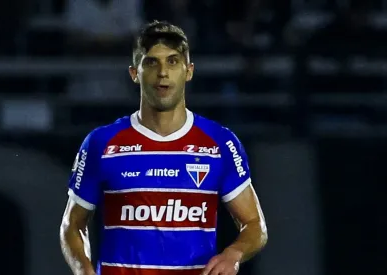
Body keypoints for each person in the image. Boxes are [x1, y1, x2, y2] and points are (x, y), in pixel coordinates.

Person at [60, 20, 268, 275]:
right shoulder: (102, 143)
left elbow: (254, 225)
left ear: (189, 71)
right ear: (134, 73)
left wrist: (233, 254)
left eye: (172, 61)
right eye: (151, 62)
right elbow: (72, 225)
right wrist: (84, 271)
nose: (163, 72)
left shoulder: (220, 143)